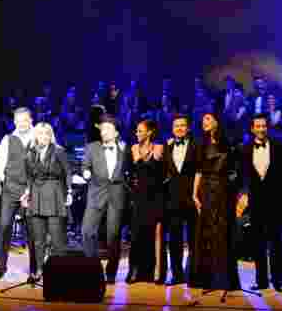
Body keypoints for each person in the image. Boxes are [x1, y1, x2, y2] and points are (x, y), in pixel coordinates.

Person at [237, 113, 282, 291]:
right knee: (257, 243)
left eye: (263, 126)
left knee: (275, 242)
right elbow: (242, 176)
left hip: (275, 201)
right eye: (257, 126)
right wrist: (243, 195)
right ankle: (261, 281)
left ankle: (278, 280)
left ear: (268, 128)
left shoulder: (280, 147)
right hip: (255, 202)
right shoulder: (244, 149)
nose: (261, 129)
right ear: (252, 129)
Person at [189, 112, 241, 290]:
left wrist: (236, 193)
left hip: (223, 190)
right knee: (206, 233)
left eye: (208, 119)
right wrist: (194, 194)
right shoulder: (200, 144)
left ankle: (223, 279)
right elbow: (198, 171)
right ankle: (206, 279)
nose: (204, 122)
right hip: (206, 190)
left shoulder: (228, 142)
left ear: (217, 121)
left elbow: (235, 170)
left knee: (222, 232)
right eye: (203, 119)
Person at [80, 115, 131, 283]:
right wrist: (86, 173)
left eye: (108, 129)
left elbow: (131, 169)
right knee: (87, 231)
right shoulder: (91, 147)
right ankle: (92, 267)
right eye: (102, 129)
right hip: (96, 192)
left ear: (116, 133)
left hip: (117, 194)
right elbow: (85, 166)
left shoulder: (124, 148)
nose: (104, 132)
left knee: (113, 235)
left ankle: (111, 273)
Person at [22, 122, 72, 282]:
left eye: (47, 133)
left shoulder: (58, 151)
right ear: (35, 136)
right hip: (36, 196)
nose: (43, 136)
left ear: (51, 136)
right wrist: (27, 192)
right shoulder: (30, 153)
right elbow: (29, 176)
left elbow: (68, 172)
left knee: (57, 239)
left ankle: (60, 271)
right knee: (38, 240)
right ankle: (39, 270)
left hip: (55, 195)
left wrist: (69, 191)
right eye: (40, 133)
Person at [0, 107, 37, 280]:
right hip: (11, 188)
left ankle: (35, 269)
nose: (21, 124)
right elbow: (0, 161)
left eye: (24, 120)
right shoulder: (8, 139)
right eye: (18, 121)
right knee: (4, 226)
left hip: (31, 189)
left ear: (30, 120)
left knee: (33, 231)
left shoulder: (38, 136)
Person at [126, 119, 167, 284]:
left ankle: (157, 271)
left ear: (149, 132)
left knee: (156, 233)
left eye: (140, 131)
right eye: (136, 131)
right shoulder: (134, 148)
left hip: (156, 195)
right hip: (139, 195)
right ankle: (134, 270)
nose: (137, 134)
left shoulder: (159, 147)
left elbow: (159, 169)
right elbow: (133, 170)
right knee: (137, 233)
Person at [162, 114, 197, 285]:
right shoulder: (167, 146)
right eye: (176, 126)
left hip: (192, 198)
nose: (179, 128)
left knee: (194, 239)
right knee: (174, 239)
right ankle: (176, 275)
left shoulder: (196, 146)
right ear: (172, 128)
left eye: (182, 125)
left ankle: (193, 274)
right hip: (173, 199)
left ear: (188, 128)